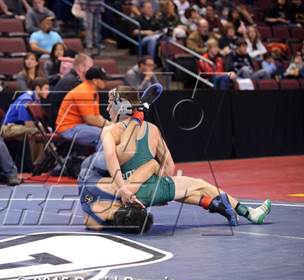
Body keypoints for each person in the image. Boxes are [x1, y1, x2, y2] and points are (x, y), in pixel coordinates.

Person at [78, 86, 272, 232]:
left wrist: (123, 188)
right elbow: (169, 167)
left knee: (95, 197)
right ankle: (247, 212)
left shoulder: (110, 130)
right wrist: (158, 182)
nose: (107, 108)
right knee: (198, 184)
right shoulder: (153, 130)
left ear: (122, 106)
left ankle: (212, 204)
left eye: (110, 103)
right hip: (152, 189)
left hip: (127, 194)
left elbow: (112, 160)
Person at [55, 66, 111, 147]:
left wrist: (110, 125)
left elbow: (97, 117)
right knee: (105, 135)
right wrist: (112, 125)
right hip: (68, 128)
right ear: (95, 81)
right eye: (103, 79)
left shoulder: (93, 92)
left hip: (77, 126)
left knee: (108, 132)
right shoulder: (84, 91)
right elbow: (90, 119)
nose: (106, 82)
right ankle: (100, 160)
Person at [2, 77, 49, 167]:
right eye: (46, 89)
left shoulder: (36, 99)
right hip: (8, 128)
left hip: (18, 127)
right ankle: (38, 164)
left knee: (42, 129)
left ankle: (50, 157)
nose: (48, 92)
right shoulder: (26, 99)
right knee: (34, 131)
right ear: (38, 89)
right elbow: (29, 124)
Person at [48, 53, 93, 125]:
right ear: (81, 67)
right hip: (63, 124)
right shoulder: (72, 82)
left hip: (64, 120)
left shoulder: (71, 78)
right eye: (90, 68)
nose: (92, 71)